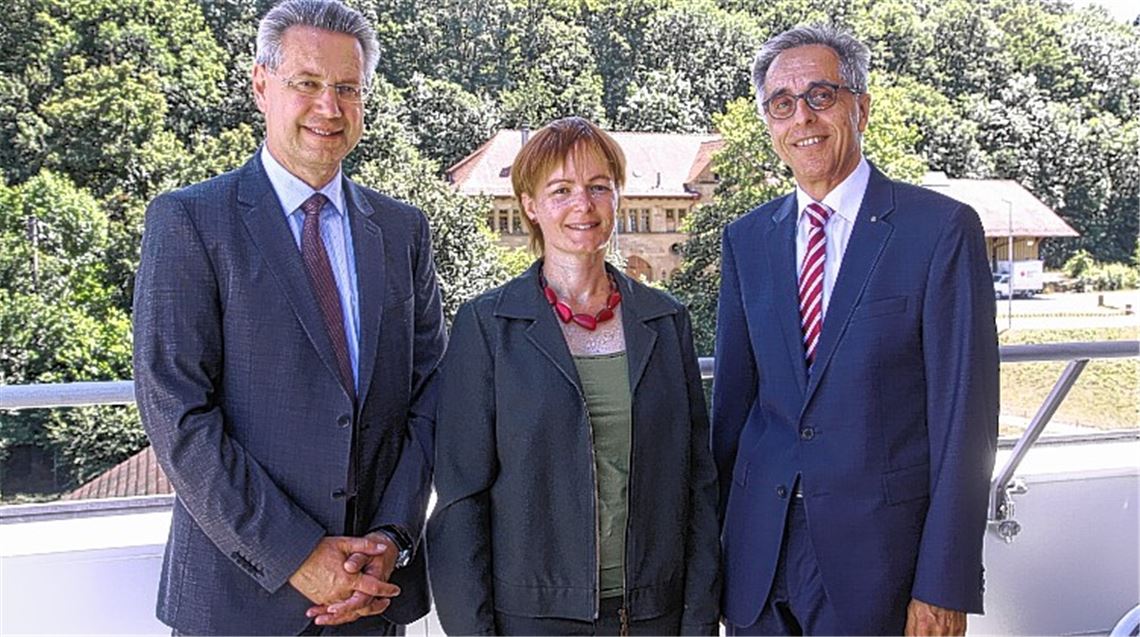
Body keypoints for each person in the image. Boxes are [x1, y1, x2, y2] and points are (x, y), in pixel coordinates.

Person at [132, 1, 446, 634]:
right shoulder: (191, 222)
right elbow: (176, 412)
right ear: (260, 85)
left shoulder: (402, 230)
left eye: (347, 88)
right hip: (238, 602)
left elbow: (430, 395)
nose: (328, 107)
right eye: (307, 83)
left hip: (372, 598)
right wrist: (298, 554)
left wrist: (391, 535)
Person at [712, 25, 999, 637]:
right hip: (758, 563)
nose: (802, 118)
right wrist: (713, 563)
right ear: (768, 122)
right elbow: (732, 412)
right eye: (782, 104)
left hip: (880, 568)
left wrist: (943, 583)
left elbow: (965, 422)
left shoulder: (939, 231)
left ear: (860, 108)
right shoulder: (746, 239)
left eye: (821, 95)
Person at [426, 116, 720, 636]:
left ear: (617, 198)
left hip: (654, 614)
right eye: (561, 190)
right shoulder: (488, 326)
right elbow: (460, 500)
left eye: (598, 187)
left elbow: (696, 483)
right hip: (532, 619)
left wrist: (698, 619)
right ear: (530, 206)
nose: (583, 205)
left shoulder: (664, 319)